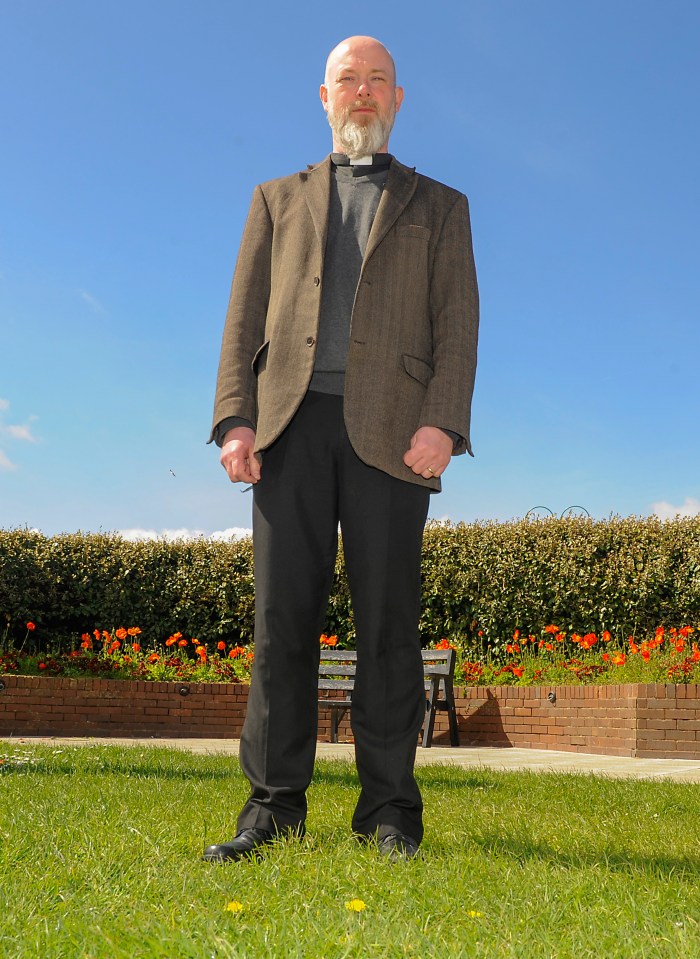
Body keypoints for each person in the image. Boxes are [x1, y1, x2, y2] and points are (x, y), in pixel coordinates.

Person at [203, 35, 478, 862]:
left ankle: (390, 811)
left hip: (395, 436)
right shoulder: (274, 199)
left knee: (390, 628)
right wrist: (234, 420)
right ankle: (272, 807)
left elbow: (458, 328)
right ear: (323, 99)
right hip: (288, 428)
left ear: (398, 100)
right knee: (282, 622)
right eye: (347, 80)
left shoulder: (442, 205)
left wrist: (443, 421)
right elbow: (242, 319)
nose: (362, 93)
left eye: (376, 81)